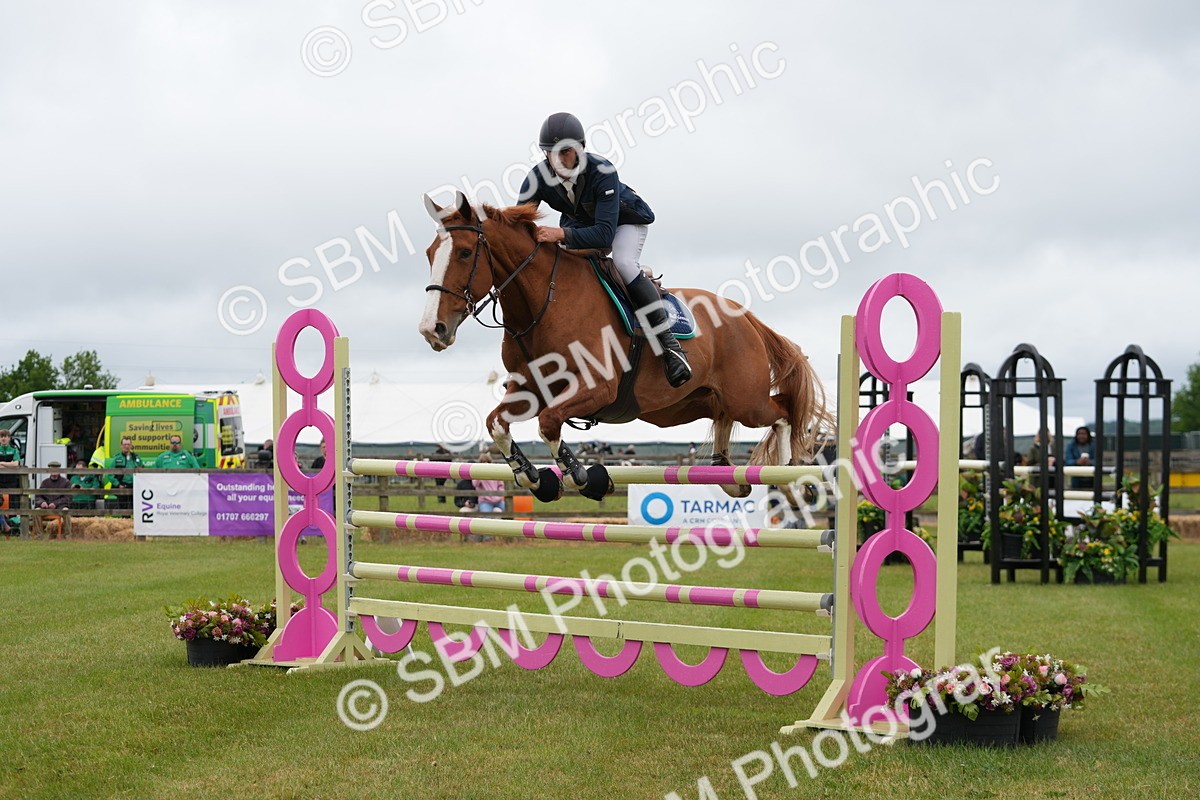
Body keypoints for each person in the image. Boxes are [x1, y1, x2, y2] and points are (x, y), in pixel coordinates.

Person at [517, 112, 691, 388]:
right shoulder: (535, 178)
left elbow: (604, 235)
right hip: (580, 224)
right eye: (552, 154)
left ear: (580, 149)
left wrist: (560, 233)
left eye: (567, 152)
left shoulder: (602, 171)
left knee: (622, 261)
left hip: (622, 223)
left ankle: (671, 349)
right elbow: (519, 226)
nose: (560, 160)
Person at [107, 436, 144, 509]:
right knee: (123, 508)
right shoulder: (116, 459)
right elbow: (110, 474)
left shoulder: (136, 458)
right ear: (121, 446)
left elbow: (142, 469)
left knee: (136, 508)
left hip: (135, 486)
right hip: (122, 486)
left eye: (128, 444)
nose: (126, 446)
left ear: (131, 445)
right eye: (124, 444)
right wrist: (118, 484)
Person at [1065, 426, 1096, 490]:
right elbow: (1067, 461)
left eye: (1084, 434)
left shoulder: (1093, 446)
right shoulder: (1071, 446)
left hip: (1092, 478)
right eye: (1079, 434)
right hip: (1077, 478)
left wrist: (1089, 462)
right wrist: (1077, 461)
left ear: (1088, 435)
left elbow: (1099, 461)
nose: (1081, 436)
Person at [0, 429, 22, 516]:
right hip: (0, 480)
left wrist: (1, 463)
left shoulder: (14, 450)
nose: (3, 439)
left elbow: (16, 464)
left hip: (11, 480)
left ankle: (14, 522)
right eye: (1, 437)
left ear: (9, 438)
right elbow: (13, 464)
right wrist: (9, 464)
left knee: (12, 501)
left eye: (5, 436)